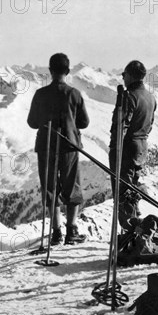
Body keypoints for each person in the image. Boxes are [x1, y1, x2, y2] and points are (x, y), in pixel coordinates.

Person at [27, 53, 90, 245]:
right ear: (68, 71)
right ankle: (71, 230)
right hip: (69, 145)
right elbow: (84, 122)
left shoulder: (40, 94)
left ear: (50, 71)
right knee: (72, 187)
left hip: (46, 146)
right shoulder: (74, 94)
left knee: (50, 187)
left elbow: (32, 122)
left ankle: (56, 232)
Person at [109, 60, 156, 228]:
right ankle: (136, 226)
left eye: (124, 74)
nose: (122, 77)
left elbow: (121, 125)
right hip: (142, 147)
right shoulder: (150, 97)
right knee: (132, 189)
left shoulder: (128, 96)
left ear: (130, 75)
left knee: (123, 192)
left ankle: (130, 229)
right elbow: (150, 124)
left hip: (126, 148)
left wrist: (115, 148)